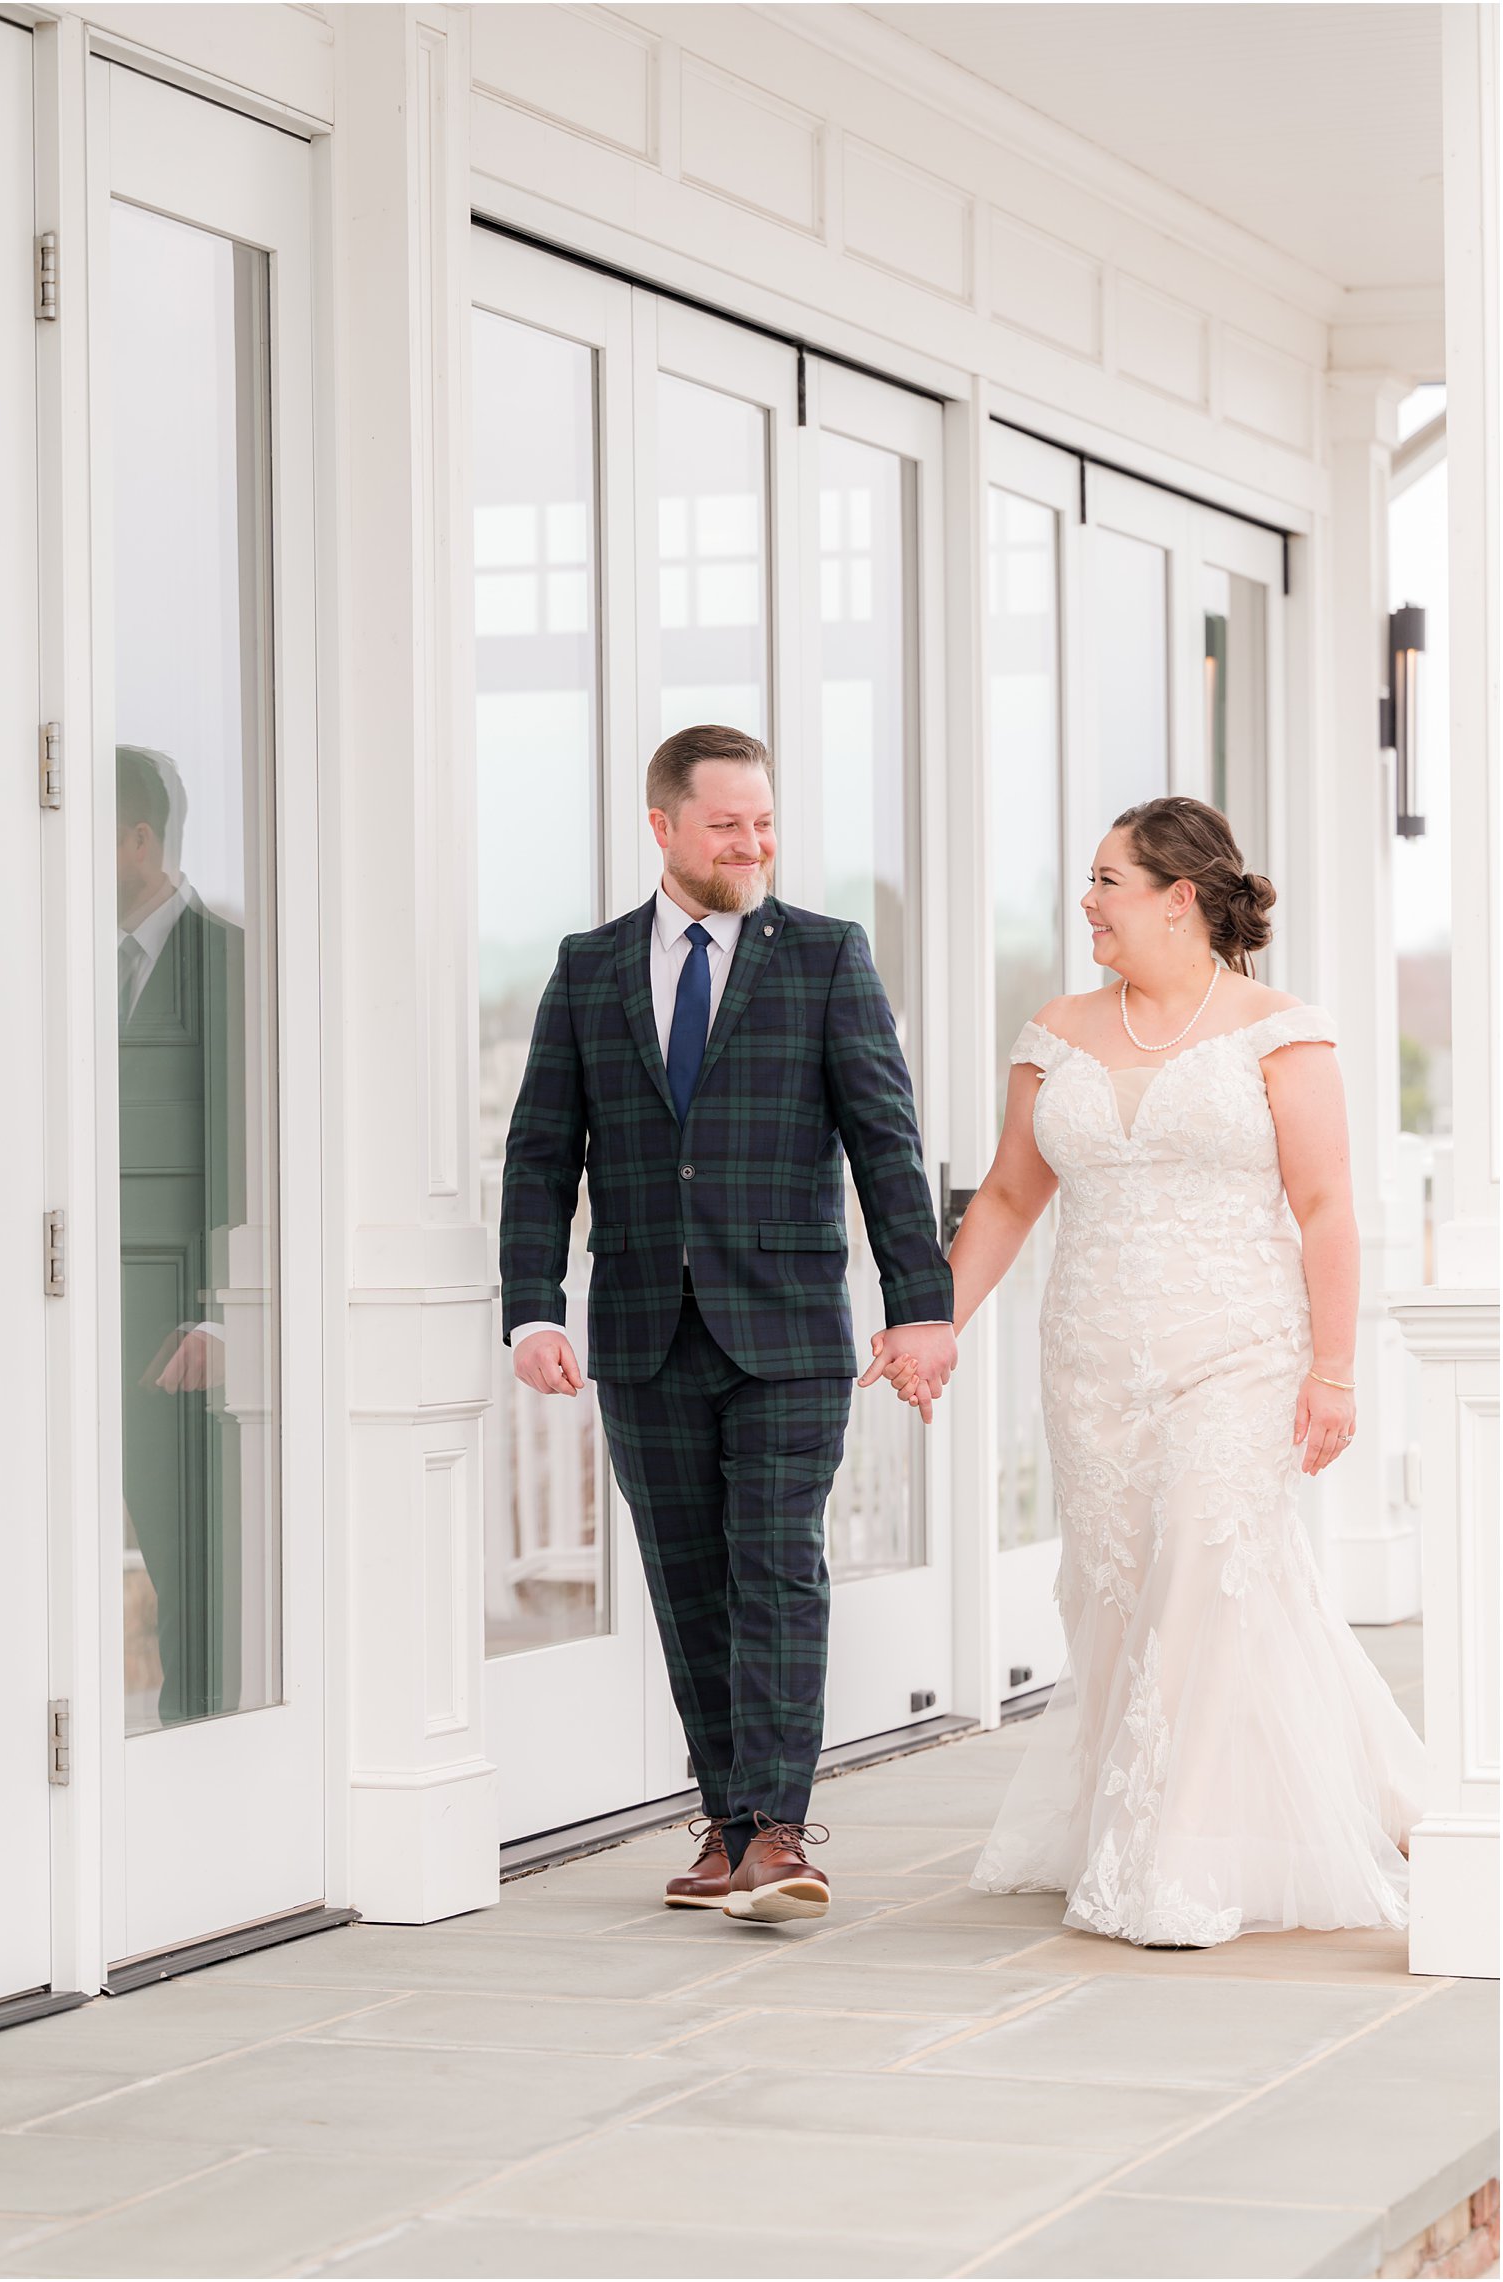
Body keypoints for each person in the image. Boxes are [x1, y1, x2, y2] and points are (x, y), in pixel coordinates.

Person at [885, 795, 1425, 1948]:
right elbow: (1008, 1196)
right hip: (1088, 1352)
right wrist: (935, 1320)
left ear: (1178, 897)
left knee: (1204, 1575)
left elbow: (1325, 1206)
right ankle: (1387, 1795)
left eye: (1105, 880)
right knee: (1121, 1589)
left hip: (1235, 1344)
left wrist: (1333, 1372)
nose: (1085, 901)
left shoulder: (1281, 1030)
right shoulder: (1056, 1029)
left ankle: (1171, 1864)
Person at [500, 724, 955, 1923]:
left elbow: (886, 1148)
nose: (751, 843)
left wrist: (919, 1308)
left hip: (789, 1328)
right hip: (644, 1328)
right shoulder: (588, 967)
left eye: (763, 822)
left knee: (774, 1564)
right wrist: (531, 1310)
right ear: (662, 827)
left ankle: (779, 1829)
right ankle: (730, 1821)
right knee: (687, 1578)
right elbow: (542, 1154)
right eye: (726, 824)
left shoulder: (825, 956)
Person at [117, 744, 243, 1725]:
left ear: (138, 839)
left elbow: (252, 1160)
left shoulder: (232, 962)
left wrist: (221, 1314)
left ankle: (199, 1742)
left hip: (179, 1327)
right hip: (73, 1312)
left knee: (187, 1550)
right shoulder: (52, 968)